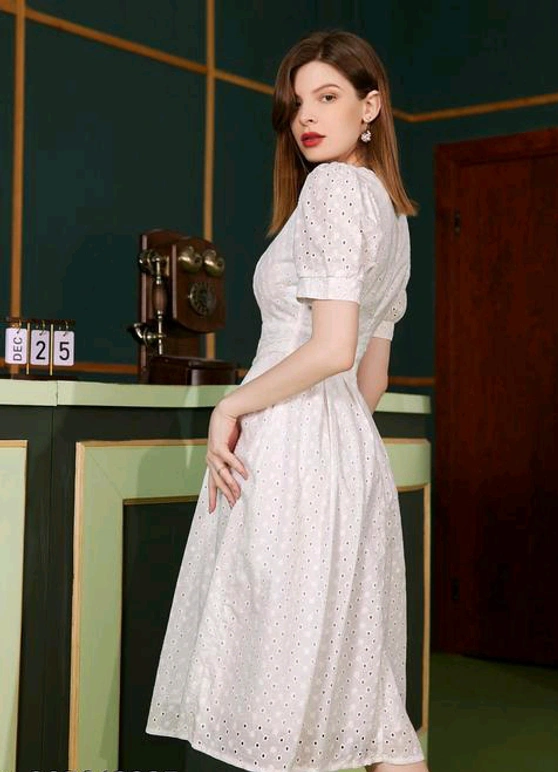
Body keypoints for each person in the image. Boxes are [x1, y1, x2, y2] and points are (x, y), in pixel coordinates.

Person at [146, 29, 429, 772]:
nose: (307, 116)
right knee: (367, 707)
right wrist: (330, 451)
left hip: (295, 452)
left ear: (371, 106)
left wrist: (232, 406)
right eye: (297, 102)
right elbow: (370, 379)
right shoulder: (393, 215)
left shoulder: (333, 190)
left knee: (278, 691)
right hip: (346, 455)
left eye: (328, 96)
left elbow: (332, 349)